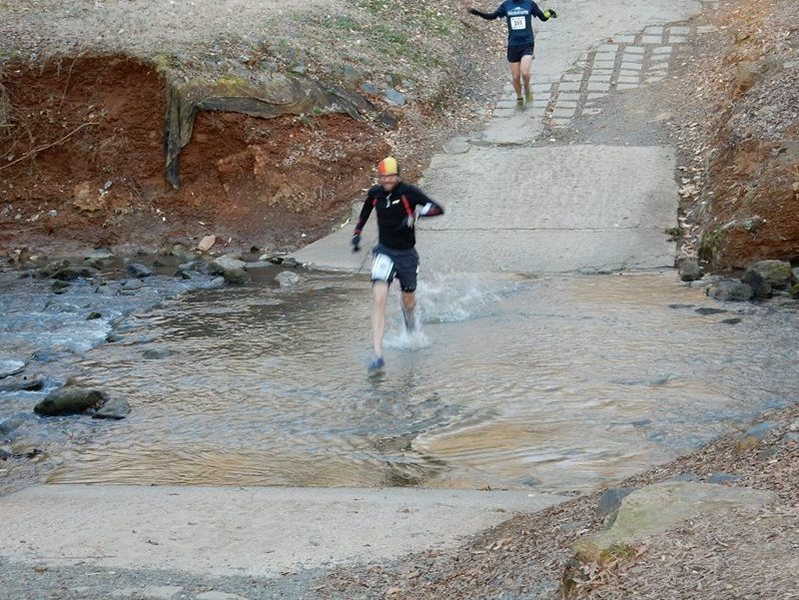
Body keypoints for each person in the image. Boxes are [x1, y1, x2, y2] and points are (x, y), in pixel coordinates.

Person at [351, 156, 444, 372]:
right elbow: (365, 211)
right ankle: (377, 353)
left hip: (407, 255)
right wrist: (357, 234)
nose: (387, 181)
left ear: (397, 175)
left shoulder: (408, 193)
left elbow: (438, 208)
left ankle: (410, 326)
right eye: (383, 177)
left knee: (408, 300)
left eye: (391, 176)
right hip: (384, 252)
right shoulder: (375, 194)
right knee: (379, 297)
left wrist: (417, 213)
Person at [468, 0, 558, 108]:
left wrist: (549, 13)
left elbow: (542, 17)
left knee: (524, 72)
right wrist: (478, 13)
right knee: (515, 77)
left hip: (527, 44)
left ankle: (527, 89)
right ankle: (519, 97)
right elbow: (492, 16)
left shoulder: (530, 4)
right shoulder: (506, 5)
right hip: (513, 46)